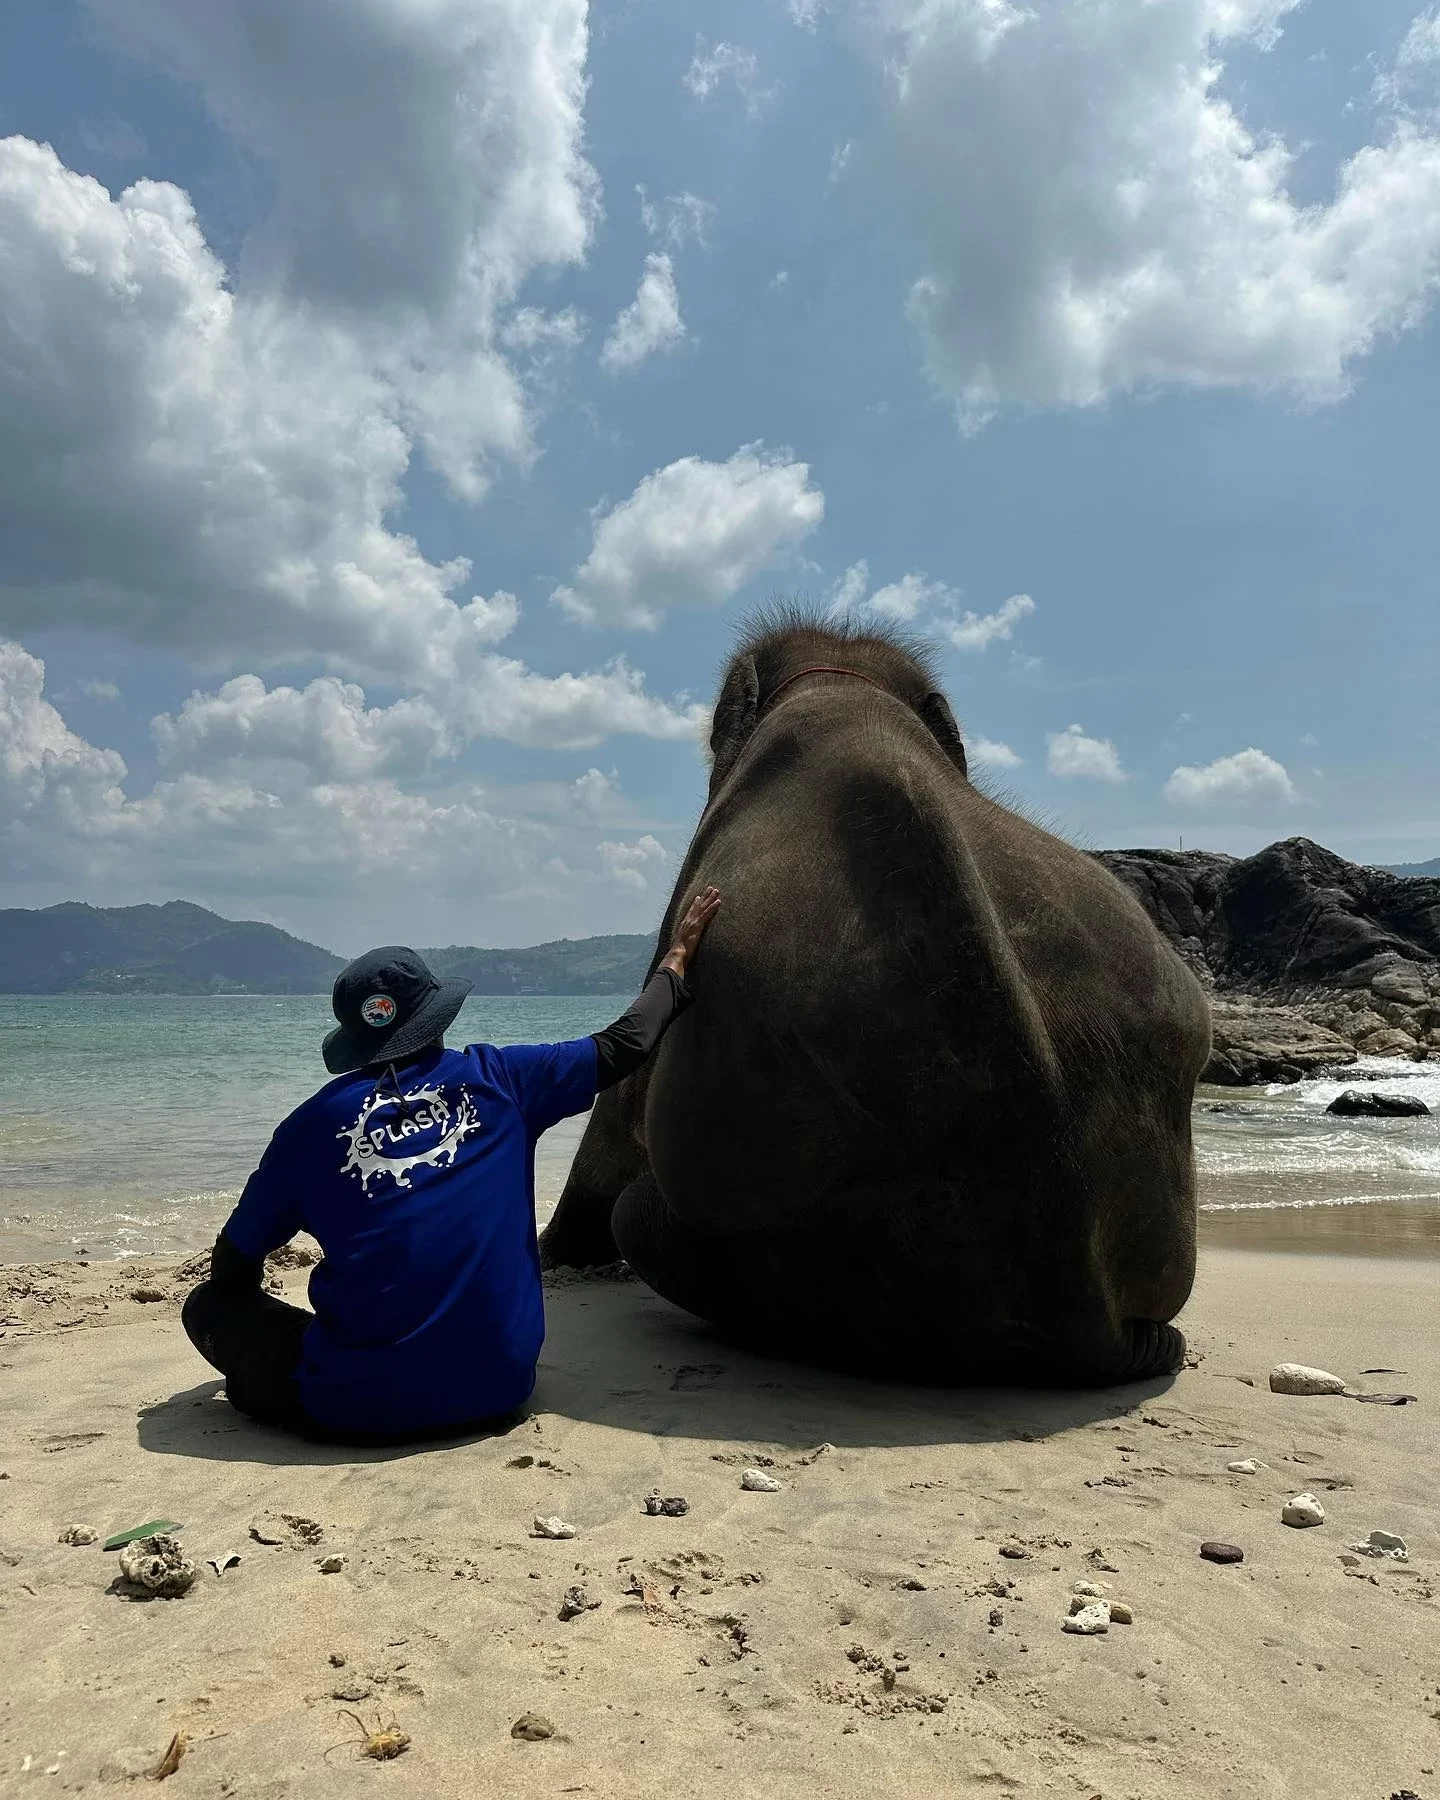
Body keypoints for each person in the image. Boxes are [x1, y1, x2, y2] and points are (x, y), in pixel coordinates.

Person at [181, 888, 721, 1443]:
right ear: (437, 1017)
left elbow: (233, 1260)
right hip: (500, 1386)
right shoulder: (505, 1079)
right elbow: (626, 1042)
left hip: (357, 1408)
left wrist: (247, 1298)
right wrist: (677, 957)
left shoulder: (310, 1126)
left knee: (208, 1305)